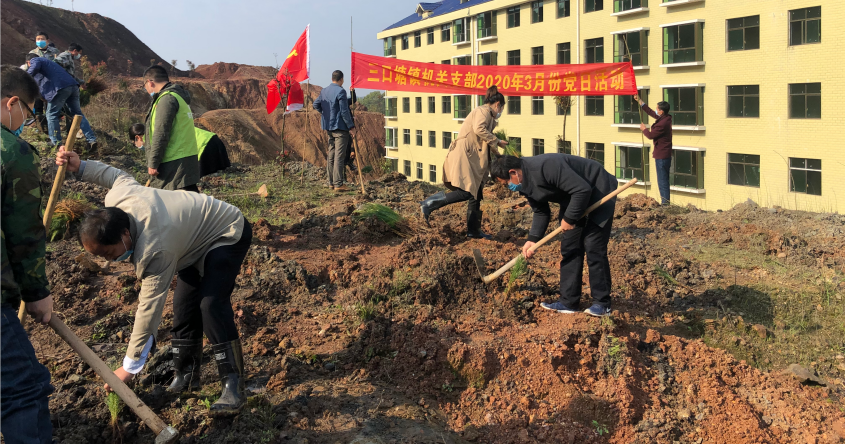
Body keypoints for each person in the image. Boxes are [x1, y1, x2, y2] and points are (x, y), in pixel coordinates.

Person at [55, 146, 253, 415]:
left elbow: (149, 308)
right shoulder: (119, 197)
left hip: (224, 231)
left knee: (211, 304)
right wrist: (81, 166)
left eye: (108, 253)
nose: (108, 261)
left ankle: (233, 385)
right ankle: (186, 375)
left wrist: (130, 366)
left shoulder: (154, 250)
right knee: (184, 308)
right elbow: (114, 175)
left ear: (125, 234)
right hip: (188, 243)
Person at [491, 154, 618, 317]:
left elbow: (582, 189)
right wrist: (532, 239)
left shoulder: (546, 167)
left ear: (513, 173)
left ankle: (602, 303)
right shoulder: (524, 183)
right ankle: (569, 302)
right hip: (573, 197)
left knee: (594, 246)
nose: (509, 186)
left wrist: (569, 218)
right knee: (570, 246)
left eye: (507, 183)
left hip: (598, 189)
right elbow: (541, 211)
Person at [1, 64, 55, 443]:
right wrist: (36, 293)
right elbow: (23, 234)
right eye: (29, 116)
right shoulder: (12, 152)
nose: (26, 124)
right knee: (24, 390)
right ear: (12, 104)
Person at [419, 85, 508, 240]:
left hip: (473, 156)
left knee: (476, 194)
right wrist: (498, 140)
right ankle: (429, 203)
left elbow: (485, 139)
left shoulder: (489, 116)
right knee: (466, 191)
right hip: (466, 155)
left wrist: (498, 154)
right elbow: (479, 129)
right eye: (501, 108)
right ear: (497, 104)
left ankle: (473, 231)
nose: (500, 111)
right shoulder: (484, 112)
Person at [141, 65, 200, 191]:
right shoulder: (178, 96)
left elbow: (161, 132)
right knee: (190, 200)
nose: (146, 90)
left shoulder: (166, 100)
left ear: (150, 82)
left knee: (177, 203)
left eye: (145, 86)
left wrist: (153, 162)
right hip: (185, 158)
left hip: (174, 161)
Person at [25, 54, 98, 150]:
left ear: (28, 62)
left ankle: (56, 142)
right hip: (73, 86)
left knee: (51, 114)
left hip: (61, 88)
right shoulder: (49, 65)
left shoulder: (36, 60)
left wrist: (24, 78)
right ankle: (91, 139)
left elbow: (33, 71)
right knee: (77, 114)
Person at [129, 123, 231, 177]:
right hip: (214, 141)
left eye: (135, 144)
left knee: (197, 181)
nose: (138, 147)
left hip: (205, 147)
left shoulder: (153, 139)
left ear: (138, 137)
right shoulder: (157, 128)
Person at [313, 70, 355, 192]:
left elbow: (316, 104)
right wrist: (351, 126)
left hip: (329, 127)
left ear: (332, 78)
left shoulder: (324, 91)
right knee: (339, 156)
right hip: (340, 128)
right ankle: (338, 184)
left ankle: (331, 182)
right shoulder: (341, 91)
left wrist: (326, 113)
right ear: (341, 79)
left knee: (331, 154)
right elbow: (344, 111)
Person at [636, 95, 673, 205]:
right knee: (663, 179)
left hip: (662, 155)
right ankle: (665, 202)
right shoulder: (665, 118)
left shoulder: (662, 124)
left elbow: (651, 135)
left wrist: (644, 129)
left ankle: (665, 204)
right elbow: (652, 113)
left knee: (662, 180)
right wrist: (640, 102)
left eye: (657, 109)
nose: (656, 110)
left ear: (661, 111)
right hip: (664, 154)